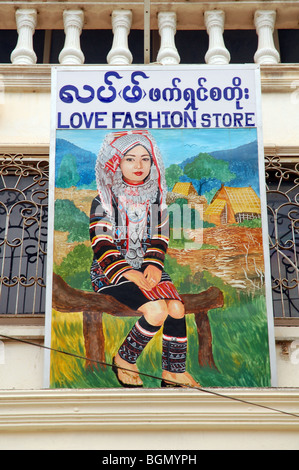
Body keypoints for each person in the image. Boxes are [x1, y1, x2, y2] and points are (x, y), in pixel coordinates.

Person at [89, 130, 199, 388]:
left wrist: (153, 264)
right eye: (129, 159)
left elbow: (159, 237)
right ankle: (125, 358)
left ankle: (173, 372)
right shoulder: (103, 200)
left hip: (148, 267)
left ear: (153, 163)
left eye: (145, 159)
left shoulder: (156, 198)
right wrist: (128, 272)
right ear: (116, 162)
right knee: (156, 309)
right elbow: (101, 243)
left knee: (176, 308)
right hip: (112, 272)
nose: (138, 166)